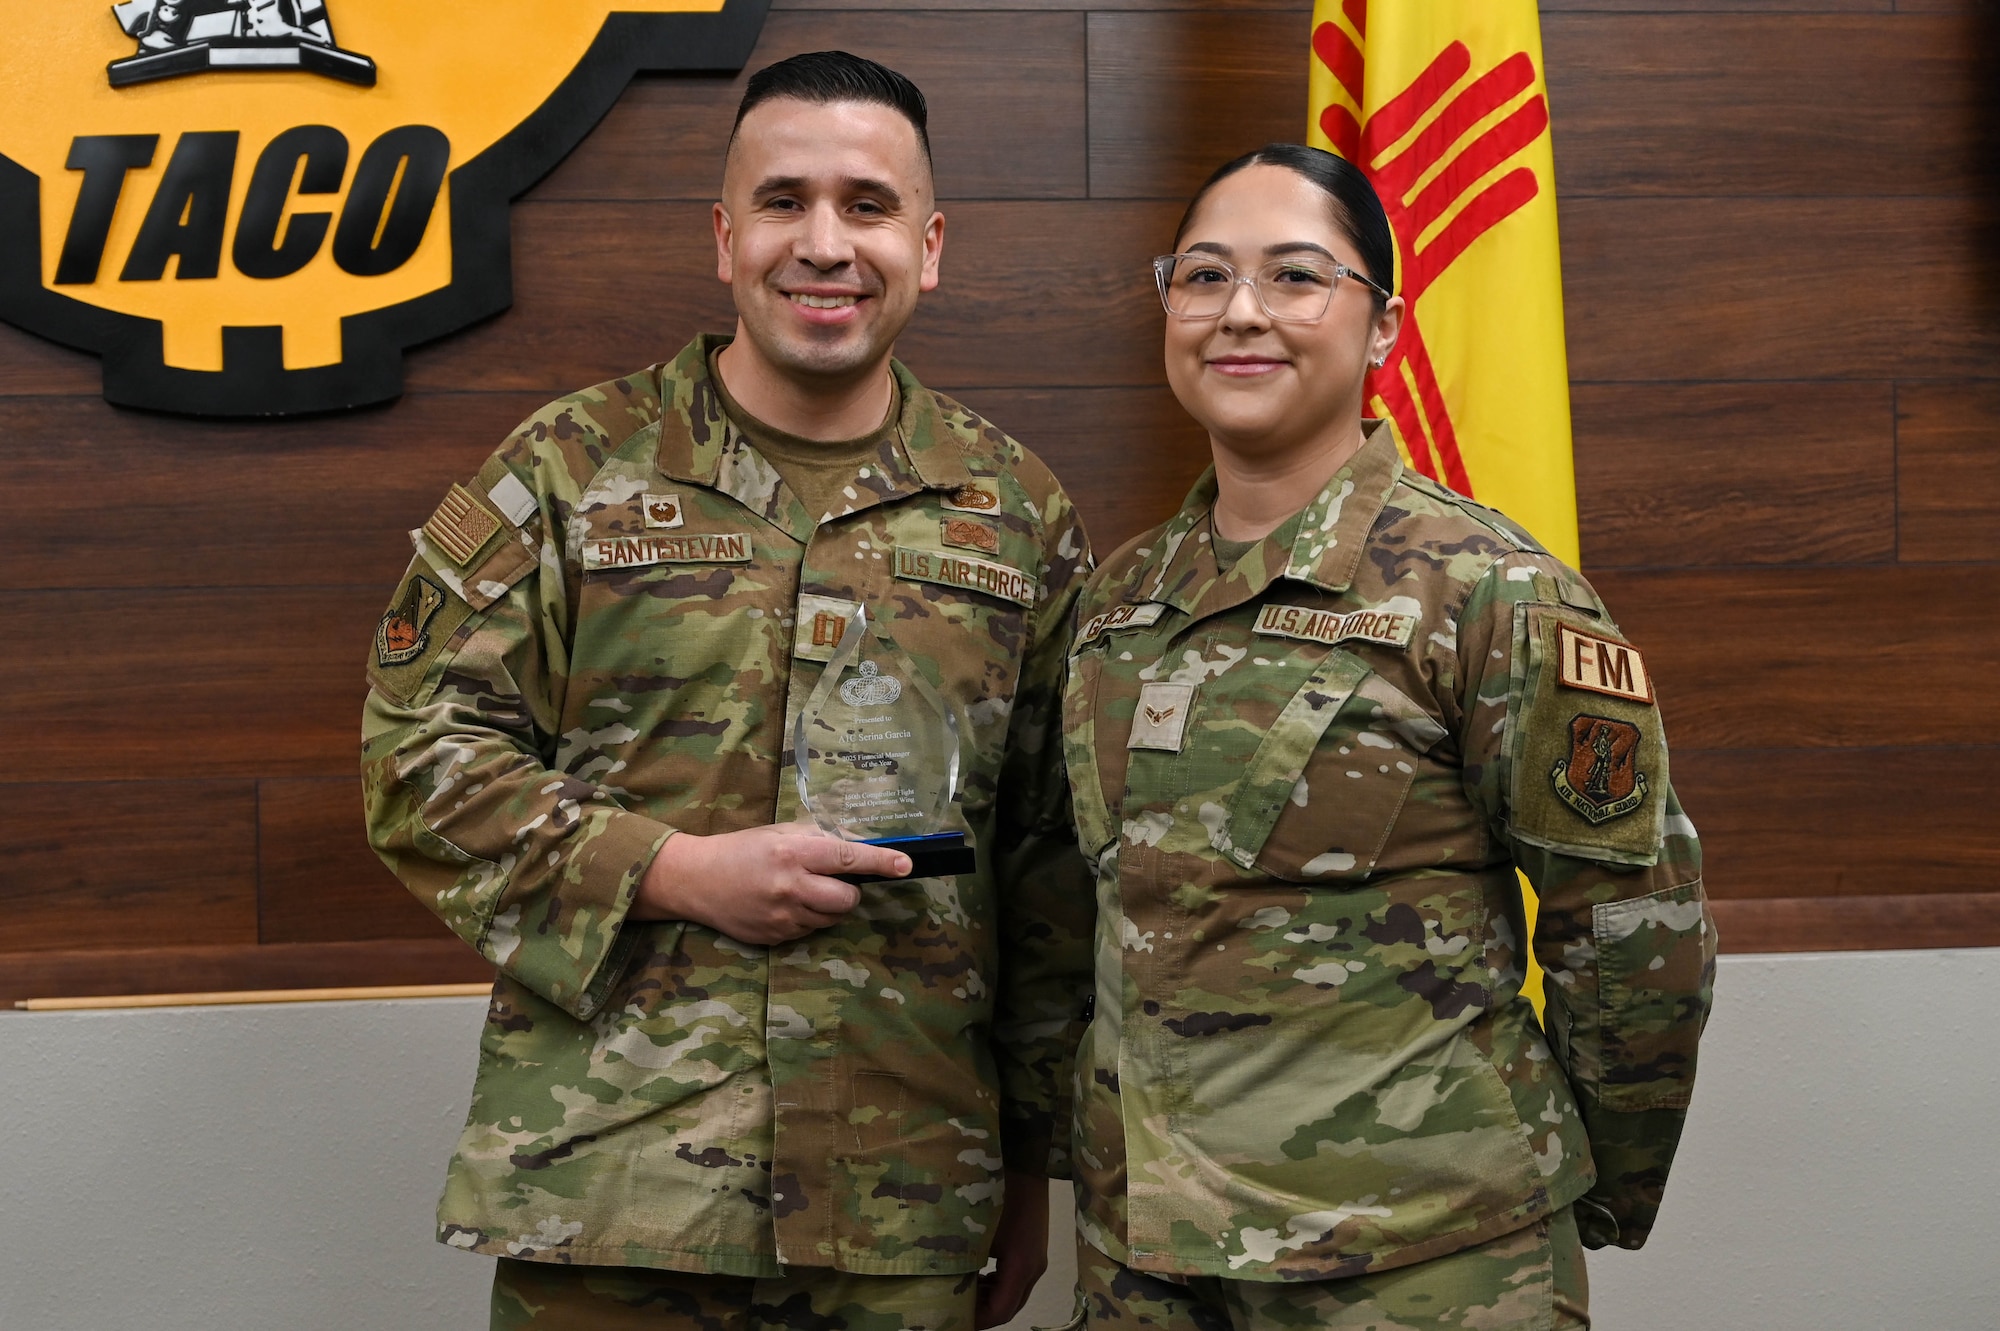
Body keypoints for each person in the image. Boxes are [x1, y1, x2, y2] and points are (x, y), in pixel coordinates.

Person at [360, 51, 1095, 1331]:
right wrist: (674, 869)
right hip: (613, 1183)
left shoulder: (1015, 512)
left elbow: (1047, 862)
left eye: (868, 206)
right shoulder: (571, 467)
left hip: (900, 1197)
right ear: (722, 237)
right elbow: (416, 757)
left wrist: (1027, 1159)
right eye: (783, 201)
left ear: (928, 247)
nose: (825, 244)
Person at [1057, 144, 1715, 1329]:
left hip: (1416, 1259)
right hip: (1146, 1263)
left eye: (1294, 275)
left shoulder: (1490, 591)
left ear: (1382, 329)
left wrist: (1583, 1184)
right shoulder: (1116, 603)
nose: (1239, 311)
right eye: (1202, 275)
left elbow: (1630, 929)